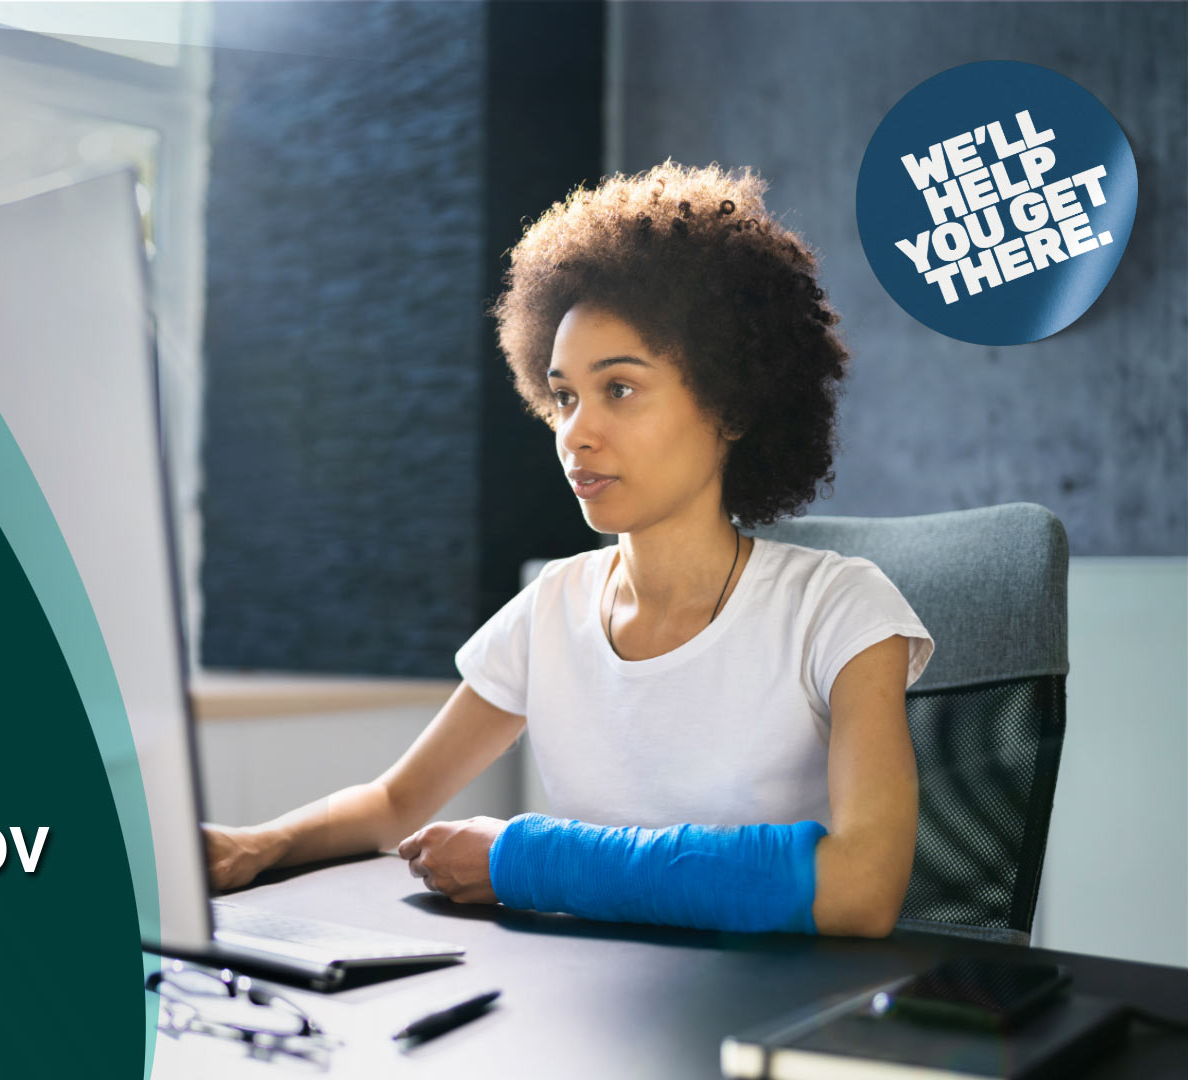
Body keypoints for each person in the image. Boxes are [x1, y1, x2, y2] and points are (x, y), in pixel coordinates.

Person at [200, 160, 934, 937]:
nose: (576, 433)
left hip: (768, 1023)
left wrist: (532, 860)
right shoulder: (553, 606)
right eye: (563, 396)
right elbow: (392, 805)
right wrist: (252, 845)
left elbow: (863, 889)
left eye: (619, 389)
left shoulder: (844, 611)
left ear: (732, 405)